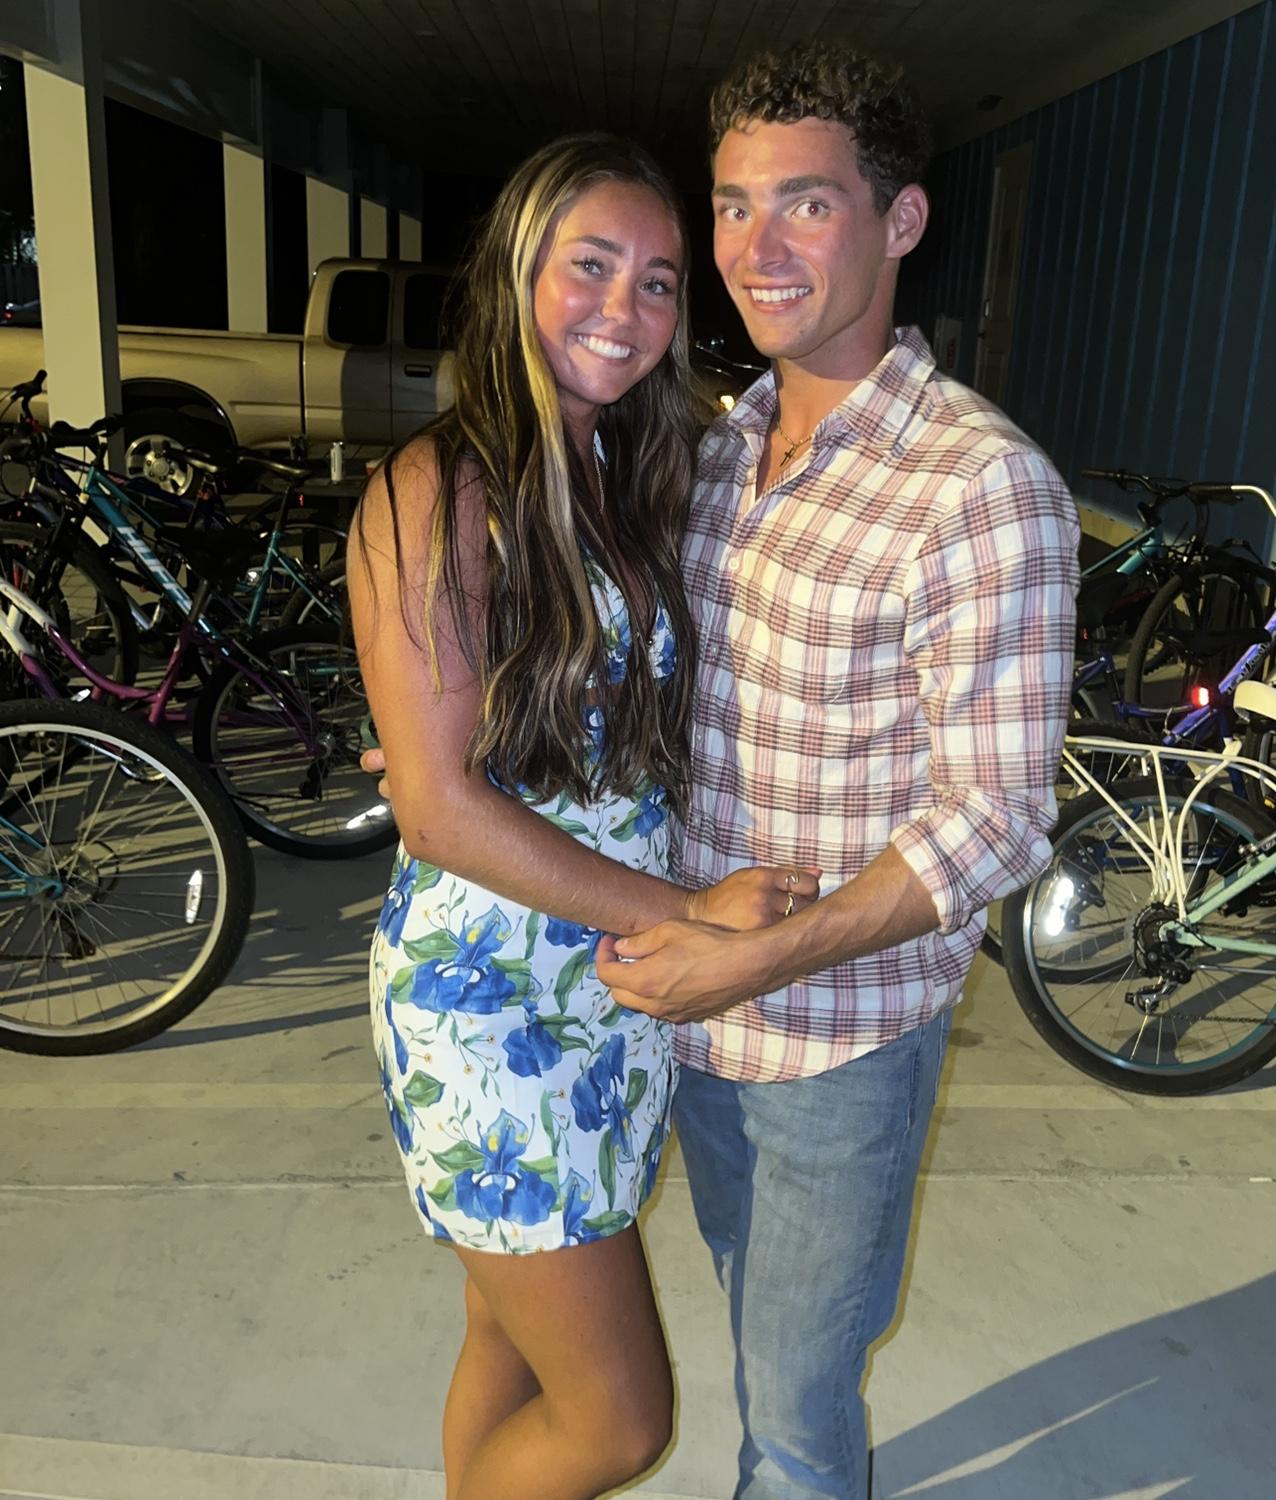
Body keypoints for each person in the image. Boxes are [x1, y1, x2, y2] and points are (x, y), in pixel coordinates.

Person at [590, 42, 1080, 1499]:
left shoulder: (980, 487)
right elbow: (659, 694)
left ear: (901, 222)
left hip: (839, 1042)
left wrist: (764, 956)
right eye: (734, 206)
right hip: (692, 1021)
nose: (756, 247)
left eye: (805, 203)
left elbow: (996, 821)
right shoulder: (716, 452)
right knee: (761, 1327)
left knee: (799, 1423)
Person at [348, 133, 821, 1500]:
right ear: (516, 276)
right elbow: (437, 809)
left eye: (661, 283)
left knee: (511, 1331)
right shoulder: (439, 486)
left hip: (607, 988)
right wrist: (691, 918)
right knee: (619, 1419)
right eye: (592, 267)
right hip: (492, 993)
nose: (627, 309)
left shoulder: (621, 475)